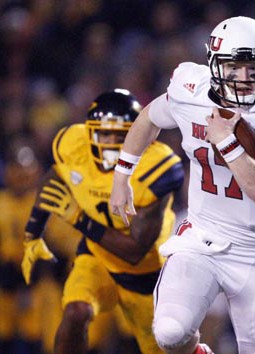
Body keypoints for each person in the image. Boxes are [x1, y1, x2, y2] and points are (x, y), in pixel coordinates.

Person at [109, 16, 255, 354]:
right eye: (235, 67)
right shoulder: (191, 91)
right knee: (171, 333)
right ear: (216, 65)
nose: (246, 78)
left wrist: (227, 142)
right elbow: (149, 117)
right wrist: (122, 175)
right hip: (203, 238)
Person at [21, 89, 185, 354]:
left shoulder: (156, 166)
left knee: (160, 347)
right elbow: (55, 178)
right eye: (104, 134)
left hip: (146, 272)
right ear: (90, 133)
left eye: (120, 136)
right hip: (98, 256)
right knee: (75, 312)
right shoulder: (74, 144)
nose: (109, 143)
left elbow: (135, 250)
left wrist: (79, 219)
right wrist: (34, 230)